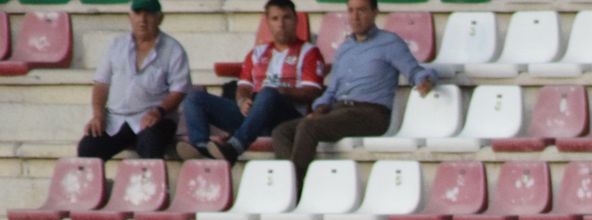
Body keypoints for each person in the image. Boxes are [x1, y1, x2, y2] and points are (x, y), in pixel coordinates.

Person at [272, 0, 435, 185]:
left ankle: (293, 189)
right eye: (351, 11)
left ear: (374, 12)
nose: (355, 17)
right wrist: (321, 106)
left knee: (308, 128)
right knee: (281, 131)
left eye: (362, 10)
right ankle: (288, 185)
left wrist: (425, 80)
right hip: (339, 111)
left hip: (371, 113)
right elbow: (332, 90)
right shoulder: (345, 47)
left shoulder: (390, 42)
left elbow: (414, 71)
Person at [177, 0, 325, 164]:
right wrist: (242, 101)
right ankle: (201, 147)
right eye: (275, 19)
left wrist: (280, 91)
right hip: (254, 115)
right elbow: (244, 86)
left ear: (296, 20)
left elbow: (312, 92)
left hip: (285, 118)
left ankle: (235, 146)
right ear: (267, 22)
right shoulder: (257, 53)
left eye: (286, 18)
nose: (281, 24)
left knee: (268, 92)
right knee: (195, 98)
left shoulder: (309, 52)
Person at [77, 0, 191, 161]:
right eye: (138, 14)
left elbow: (179, 89)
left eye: (149, 14)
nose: (142, 20)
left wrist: (159, 111)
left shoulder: (173, 49)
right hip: (116, 119)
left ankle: (153, 186)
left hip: (156, 118)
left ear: (160, 18)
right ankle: (99, 186)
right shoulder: (116, 45)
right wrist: (98, 115)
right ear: (130, 17)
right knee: (89, 146)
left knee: (151, 141)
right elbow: (101, 84)